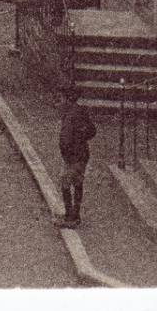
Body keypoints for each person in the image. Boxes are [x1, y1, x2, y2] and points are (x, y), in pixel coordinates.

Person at [57, 86, 97, 228]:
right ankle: (76, 213)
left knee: (65, 183)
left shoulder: (69, 116)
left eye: (61, 99)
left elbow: (65, 140)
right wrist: (81, 138)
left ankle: (70, 217)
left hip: (72, 157)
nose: (60, 102)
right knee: (78, 183)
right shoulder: (81, 111)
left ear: (67, 100)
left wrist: (67, 154)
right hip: (82, 154)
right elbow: (92, 130)